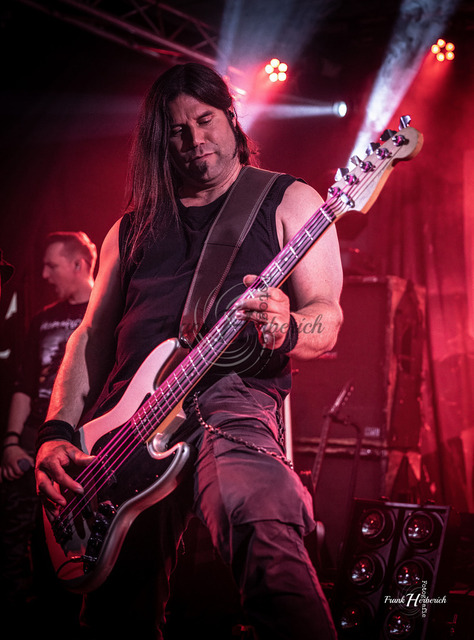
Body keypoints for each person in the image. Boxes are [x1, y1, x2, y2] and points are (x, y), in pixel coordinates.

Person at [35, 63, 343, 640]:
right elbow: (90, 338)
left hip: (231, 402)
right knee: (115, 616)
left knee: (260, 516)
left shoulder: (290, 199)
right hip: (122, 429)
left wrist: (289, 325)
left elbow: (327, 317)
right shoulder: (130, 229)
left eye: (205, 120)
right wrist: (56, 432)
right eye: (177, 130)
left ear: (231, 117)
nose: (194, 139)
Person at [0, 232, 96, 622]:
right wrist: (11, 441)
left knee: (71, 542)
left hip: (80, 438)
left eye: (51, 266)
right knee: (12, 536)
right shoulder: (42, 318)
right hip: (31, 438)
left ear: (78, 265)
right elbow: (25, 384)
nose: (43, 274)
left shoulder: (105, 311)